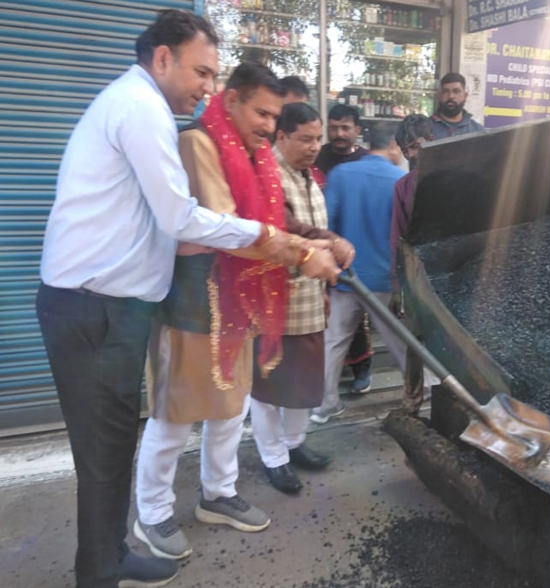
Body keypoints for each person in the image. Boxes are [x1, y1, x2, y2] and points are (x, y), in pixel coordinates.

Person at [35, 11, 338, 588]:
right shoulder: (144, 110)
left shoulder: (144, 107)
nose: (206, 86)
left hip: (113, 305)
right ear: (163, 58)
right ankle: (99, 570)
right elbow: (182, 219)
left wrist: (296, 241)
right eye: (201, 72)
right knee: (109, 451)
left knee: (115, 446)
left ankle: (110, 555)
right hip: (93, 305)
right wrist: (288, 247)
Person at [133, 63, 343, 563]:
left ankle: (218, 494)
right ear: (231, 101)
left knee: (230, 409)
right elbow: (228, 226)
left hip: (242, 300)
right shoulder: (199, 145)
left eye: (275, 115)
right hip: (190, 301)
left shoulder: (256, 159)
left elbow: (265, 225)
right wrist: (302, 253)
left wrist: (312, 243)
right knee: (173, 415)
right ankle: (153, 511)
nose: (270, 125)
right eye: (261, 112)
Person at [250, 102, 351, 494]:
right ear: (281, 136)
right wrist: (331, 241)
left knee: (303, 383)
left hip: (310, 300)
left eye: (317, 139)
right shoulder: (268, 173)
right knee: (269, 389)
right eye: (305, 139)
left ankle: (294, 445)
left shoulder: (309, 174)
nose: (314, 147)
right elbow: (284, 225)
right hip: (275, 303)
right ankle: (273, 458)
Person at [313, 122, 409, 424]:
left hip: (345, 278)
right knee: (401, 342)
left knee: (334, 341)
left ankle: (325, 405)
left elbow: (326, 227)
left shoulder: (341, 175)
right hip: (384, 279)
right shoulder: (401, 180)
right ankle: (419, 394)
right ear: (394, 146)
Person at [314, 104, 374, 396]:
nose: (339, 133)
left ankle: (361, 367)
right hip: (315, 246)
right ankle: (323, 377)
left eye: (345, 127)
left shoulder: (365, 161)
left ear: (357, 131)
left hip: (354, 249)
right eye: (334, 127)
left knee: (352, 318)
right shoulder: (317, 156)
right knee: (321, 314)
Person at [390, 115, 437, 414]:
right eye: (409, 148)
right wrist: (397, 287)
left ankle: (455, 400)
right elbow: (397, 236)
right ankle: (412, 402)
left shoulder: (456, 176)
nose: (414, 153)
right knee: (415, 340)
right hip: (419, 275)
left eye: (420, 145)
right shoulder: (402, 188)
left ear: (432, 142)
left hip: (454, 271)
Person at [430, 72, 484, 140]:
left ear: (465, 96)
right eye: (446, 91)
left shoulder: (478, 132)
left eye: (456, 91)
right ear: (440, 95)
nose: (450, 96)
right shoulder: (426, 128)